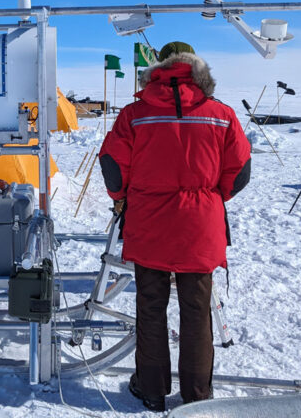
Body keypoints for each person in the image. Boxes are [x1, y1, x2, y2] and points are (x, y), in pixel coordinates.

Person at [98, 41, 251, 411]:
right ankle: (197, 395)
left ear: (159, 70)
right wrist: (210, 200)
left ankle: (150, 390)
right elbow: (241, 170)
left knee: (151, 307)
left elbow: (112, 164)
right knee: (197, 310)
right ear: (198, 72)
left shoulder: (135, 114)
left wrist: (122, 197)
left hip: (149, 223)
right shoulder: (222, 114)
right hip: (200, 227)